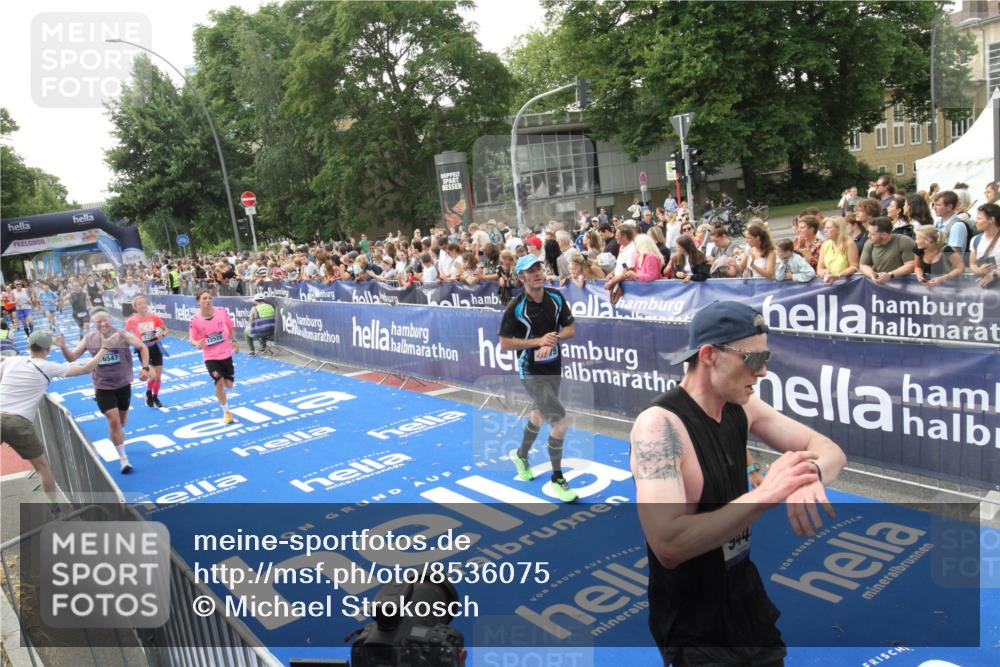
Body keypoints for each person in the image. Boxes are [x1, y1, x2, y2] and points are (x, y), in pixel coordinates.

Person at [630, 300, 846, 666]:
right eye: (753, 359)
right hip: (694, 626)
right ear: (710, 355)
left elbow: (828, 450)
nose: (762, 373)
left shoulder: (742, 407)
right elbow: (668, 543)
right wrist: (766, 494)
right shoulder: (660, 427)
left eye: (767, 359)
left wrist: (810, 475)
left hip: (745, 596)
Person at [1, 331, 114, 510]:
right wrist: (105, 348)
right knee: (42, 467)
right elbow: (85, 368)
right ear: (47, 349)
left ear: (29, 345)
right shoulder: (48, 366)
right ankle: (54, 506)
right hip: (19, 423)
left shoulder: (11, 361)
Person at [499, 254, 578, 503]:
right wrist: (537, 342)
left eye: (539, 269)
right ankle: (557, 478)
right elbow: (504, 343)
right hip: (530, 370)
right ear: (521, 277)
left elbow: (570, 329)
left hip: (553, 365)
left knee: (540, 414)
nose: (537, 274)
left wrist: (552, 338)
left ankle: (521, 455)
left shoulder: (555, 297)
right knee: (561, 423)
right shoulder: (516, 307)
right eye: (530, 271)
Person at [59, 309, 149, 474]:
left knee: (121, 422)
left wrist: (145, 367)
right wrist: (63, 347)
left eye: (105, 320)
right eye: (98, 322)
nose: (103, 324)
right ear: (94, 324)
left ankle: (118, 438)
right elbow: (72, 358)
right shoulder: (90, 339)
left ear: (110, 320)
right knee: (113, 420)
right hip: (102, 386)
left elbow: (142, 346)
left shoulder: (121, 335)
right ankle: (123, 459)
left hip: (123, 385)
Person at [189, 289, 239, 424]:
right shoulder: (195, 320)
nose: (208, 301)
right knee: (219, 383)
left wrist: (234, 341)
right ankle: (226, 412)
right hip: (210, 356)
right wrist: (197, 343)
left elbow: (230, 326)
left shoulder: (221, 311)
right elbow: (192, 338)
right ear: (198, 301)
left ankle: (220, 393)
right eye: (204, 298)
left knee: (229, 385)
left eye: (210, 298)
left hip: (226, 353)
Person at [124, 295, 169, 407]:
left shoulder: (154, 317)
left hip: (155, 348)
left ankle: (155, 397)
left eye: (144, 303)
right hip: (143, 350)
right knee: (152, 376)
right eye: (139, 304)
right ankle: (148, 392)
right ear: (135, 307)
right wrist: (132, 341)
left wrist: (161, 335)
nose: (142, 305)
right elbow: (123, 334)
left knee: (158, 377)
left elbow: (166, 329)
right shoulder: (132, 320)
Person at [859, 216, 915, 284]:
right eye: (868, 232)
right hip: (880, 285)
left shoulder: (904, 241)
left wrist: (890, 274)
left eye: (872, 234)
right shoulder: (869, 243)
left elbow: (912, 265)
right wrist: (871, 274)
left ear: (884, 235)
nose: (868, 236)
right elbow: (863, 265)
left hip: (903, 285)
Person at [816, 216, 859, 285]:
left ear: (838, 229)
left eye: (828, 228)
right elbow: (819, 268)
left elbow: (854, 266)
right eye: (825, 228)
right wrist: (823, 272)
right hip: (829, 283)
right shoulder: (825, 245)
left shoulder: (849, 244)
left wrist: (838, 275)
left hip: (846, 283)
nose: (824, 230)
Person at [969, 202, 1000, 288]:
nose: (976, 221)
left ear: (991, 220)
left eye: (979, 218)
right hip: (984, 290)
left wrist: (993, 275)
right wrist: (979, 270)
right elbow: (972, 264)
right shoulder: (975, 240)